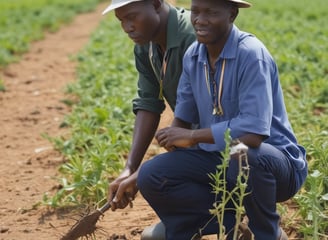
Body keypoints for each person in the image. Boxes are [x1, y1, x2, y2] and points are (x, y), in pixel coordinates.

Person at [137, 0, 308, 239]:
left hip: (273, 166)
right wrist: (171, 139)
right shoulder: (193, 56)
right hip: (220, 161)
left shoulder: (251, 54)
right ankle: (231, 224)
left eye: (211, 12)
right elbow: (183, 119)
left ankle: (266, 232)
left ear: (232, 15)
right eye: (196, 11)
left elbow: (253, 133)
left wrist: (192, 136)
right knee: (152, 174)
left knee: (243, 152)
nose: (199, 19)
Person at [102, 0, 196, 218]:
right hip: (193, 137)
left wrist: (143, 173)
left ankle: (244, 218)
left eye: (132, 16)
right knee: (153, 175)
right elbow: (149, 102)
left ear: (155, 4)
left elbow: (204, 111)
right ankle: (194, 220)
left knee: (156, 176)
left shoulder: (192, 38)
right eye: (121, 20)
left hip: (223, 138)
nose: (127, 27)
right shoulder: (146, 45)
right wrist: (130, 168)